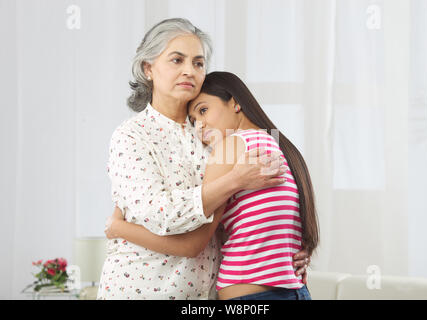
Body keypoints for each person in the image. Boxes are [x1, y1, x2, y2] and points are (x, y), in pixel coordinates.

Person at [97, 18, 309, 300]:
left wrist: (285, 251)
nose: (189, 71)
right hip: (143, 289)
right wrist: (235, 180)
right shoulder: (132, 136)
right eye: (177, 60)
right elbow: (163, 215)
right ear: (148, 68)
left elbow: (241, 219)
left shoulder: (215, 135)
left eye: (198, 63)